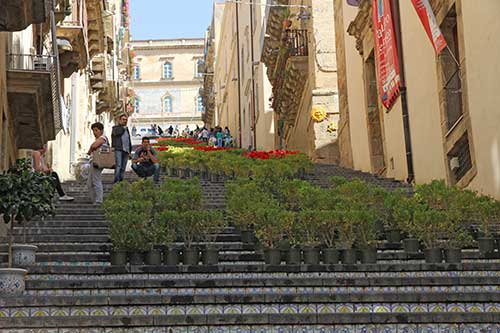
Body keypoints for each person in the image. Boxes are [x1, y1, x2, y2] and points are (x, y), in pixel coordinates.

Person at [87, 122, 109, 204]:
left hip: (98, 161)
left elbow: (94, 146)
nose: (94, 132)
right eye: (93, 130)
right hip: (94, 161)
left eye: (96, 130)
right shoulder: (99, 138)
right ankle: (94, 199)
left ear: (101, 131)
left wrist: (89, 151)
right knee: (90, 182)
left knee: (96, 180)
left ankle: (99, 200)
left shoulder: (103, 138)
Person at [111, 114, 132, 183]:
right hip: (118, 149)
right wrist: (123, 128)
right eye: (123, 119)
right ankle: (116, 180)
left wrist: (130, 150)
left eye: (126, 120)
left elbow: (128, 139)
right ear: (119, 120)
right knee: (119, 165)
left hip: (126, 149)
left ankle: (121, 179)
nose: (125, 121)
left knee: (123, 166)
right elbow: (117, 133)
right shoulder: (115, 128)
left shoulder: (126, 129)